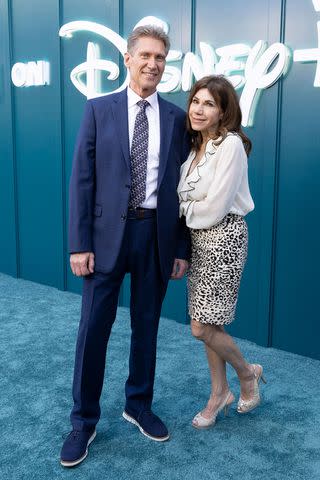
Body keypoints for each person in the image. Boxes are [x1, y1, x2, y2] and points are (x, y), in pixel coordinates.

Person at [60, 25, 190, 467]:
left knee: (147, 328)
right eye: (146, 56)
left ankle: (138, 404)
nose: (153, 64)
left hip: (155, 236)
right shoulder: (98, 110)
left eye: (161, 58)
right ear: (129, 60)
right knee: (93, 330)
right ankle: (84, 421)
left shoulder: (176, 118)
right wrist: (79, 244)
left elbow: (184, 188)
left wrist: (182, 247)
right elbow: (82, 181)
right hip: (103, 240)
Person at [177, 75, 266, 429]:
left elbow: (214, 207)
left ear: (223, 111)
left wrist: (184, 208)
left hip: (224, 238)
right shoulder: (195, 147)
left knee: (201, 327)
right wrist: (190, 205)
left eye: (209, 104)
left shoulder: (229, 145)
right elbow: (191, 198)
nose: (199, 109)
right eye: (196, 101)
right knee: (209, 322)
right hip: (199, 241)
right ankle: (219, 393)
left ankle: (247, 374)